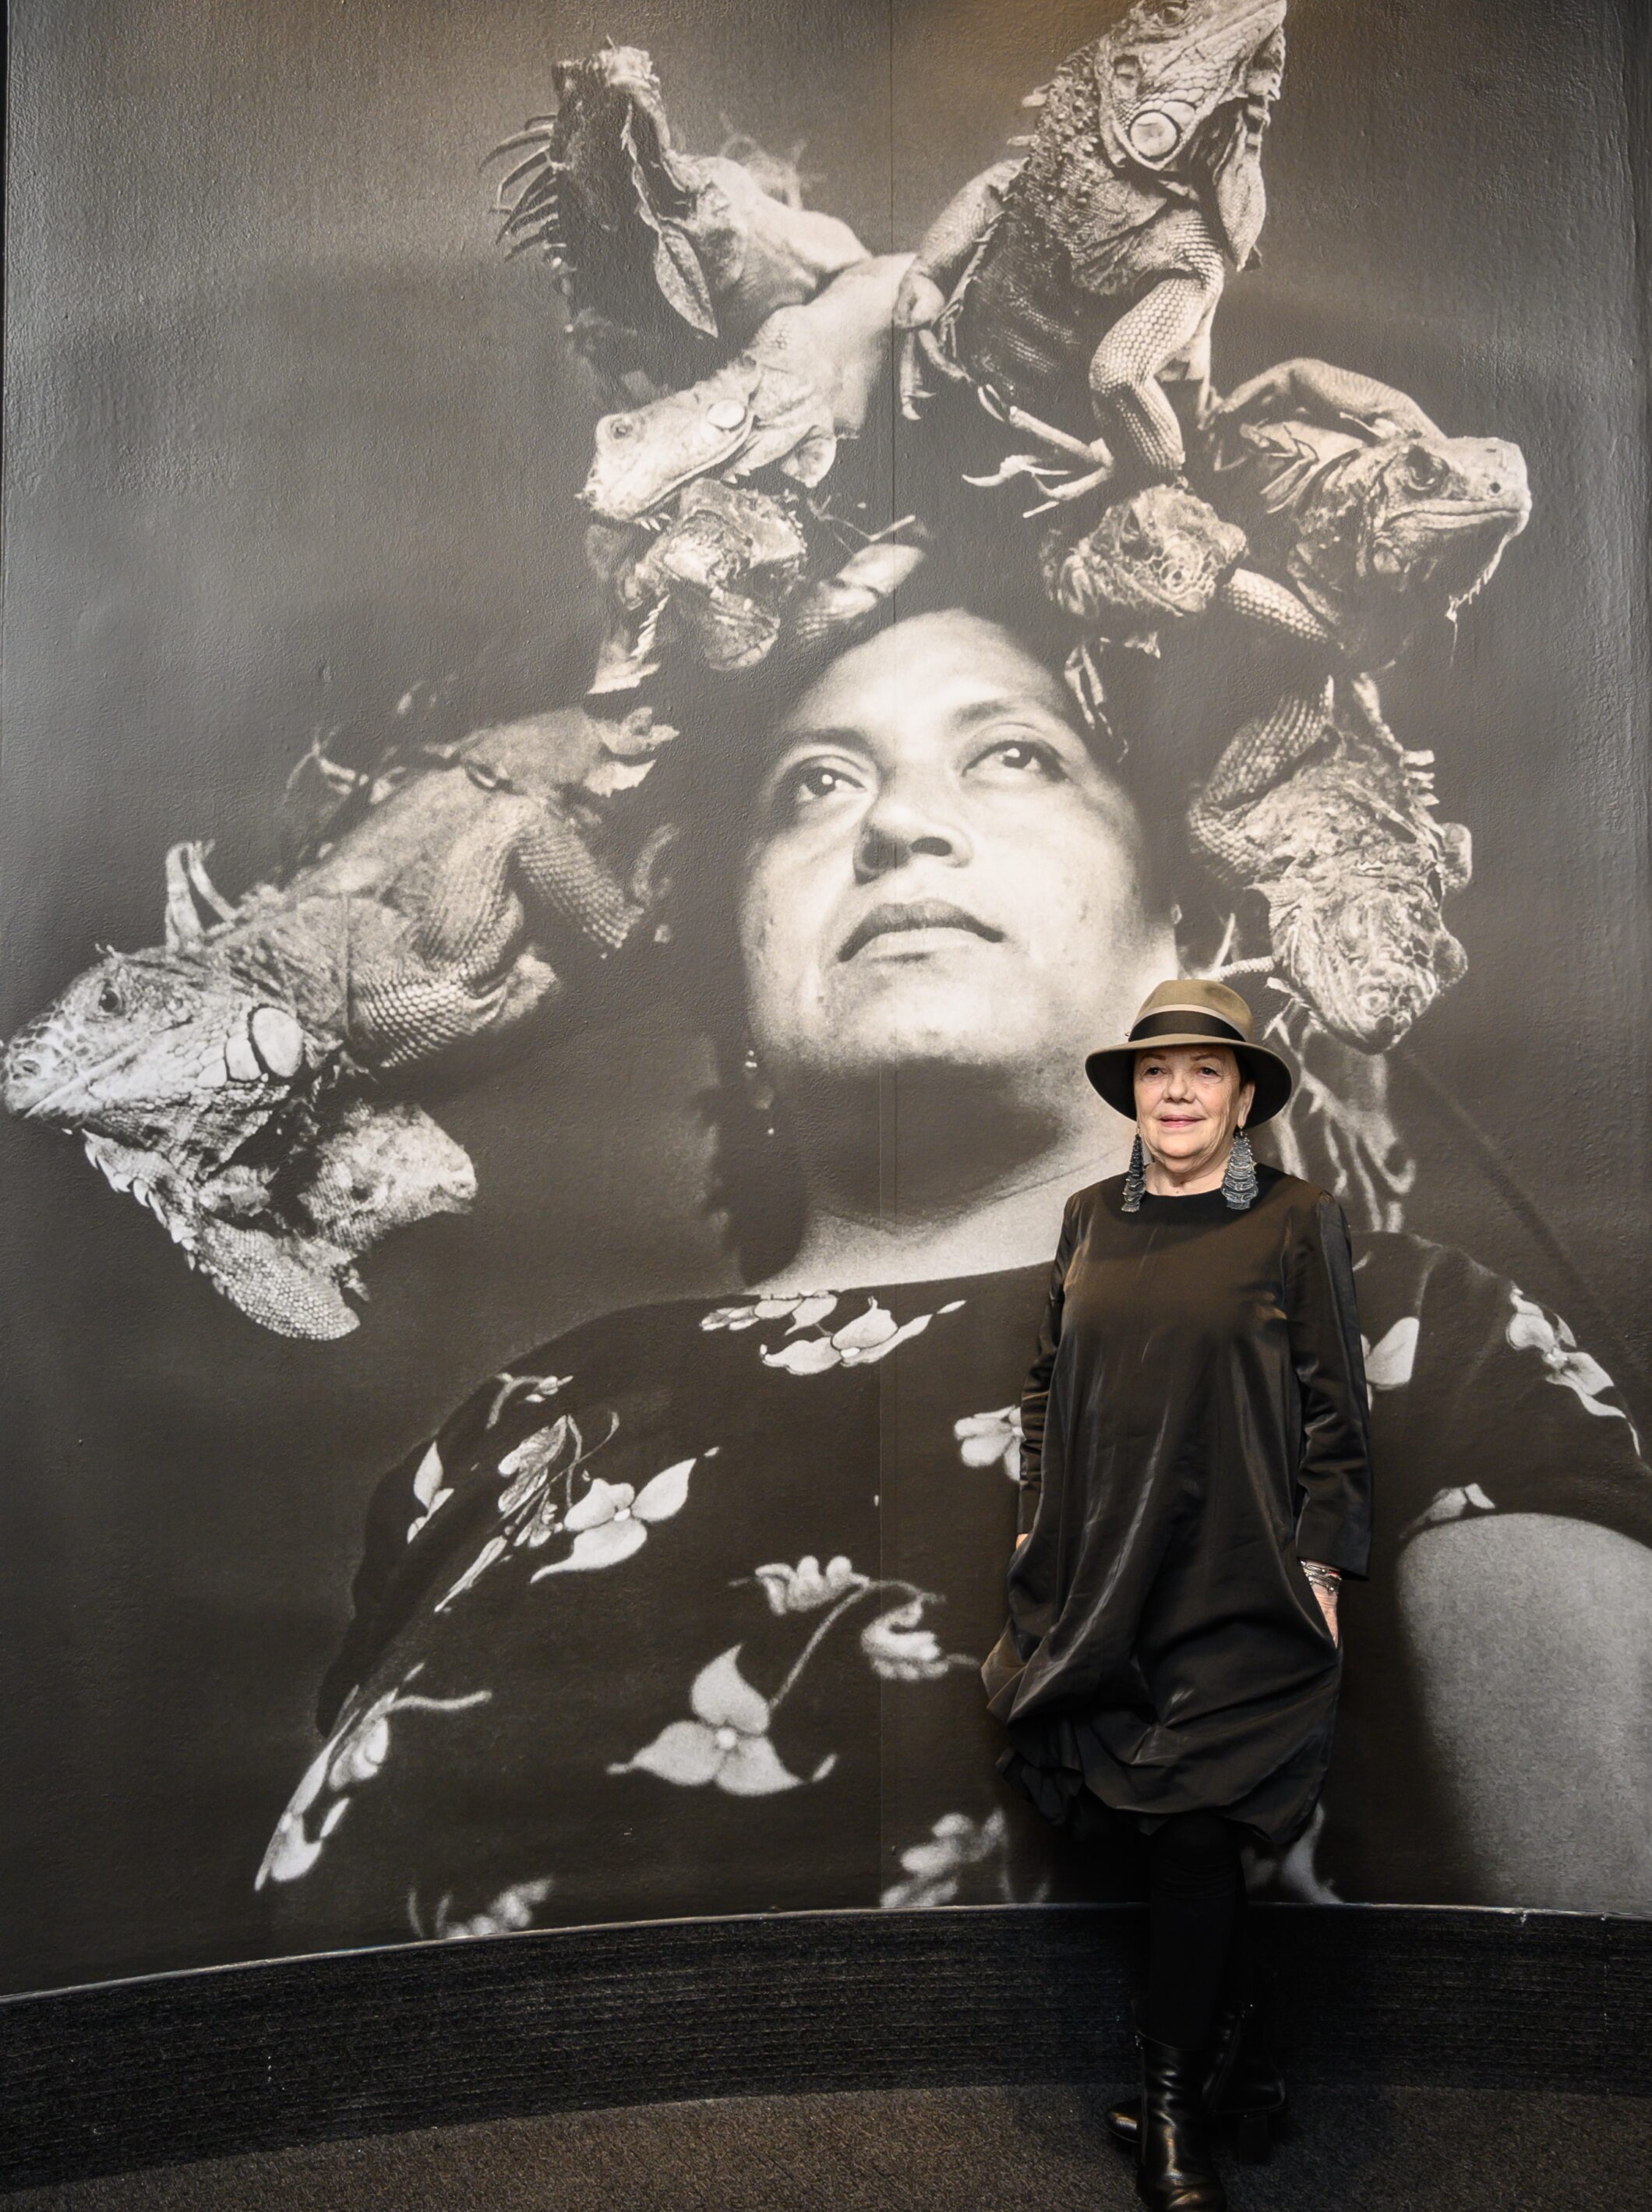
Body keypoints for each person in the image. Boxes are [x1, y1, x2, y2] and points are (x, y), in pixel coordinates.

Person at [255, 585, 1652, 1971]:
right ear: (733, 969)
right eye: (813, 783)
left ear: (1188, 929)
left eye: (1015, 755)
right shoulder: (522, 1422)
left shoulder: (1382, 1328)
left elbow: (1596, 2051)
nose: (896, 823)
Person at [983, 975, 1370, 2210]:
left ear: (1246, 1095)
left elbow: (1336, 1412)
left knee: (1201, 1825)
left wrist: (1325, 1561)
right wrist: (1041, 1518)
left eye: (1207, 1071)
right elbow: (1049, 1386)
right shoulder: (1089, 1215)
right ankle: (1234, 2075)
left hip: (1243, 1571)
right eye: (1159, 1072)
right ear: (1133, 1095)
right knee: (1167, 1834)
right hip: (1107, 1576)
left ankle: (1166, 2116)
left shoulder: (1300, 1221)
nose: (1181, 1091)